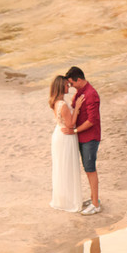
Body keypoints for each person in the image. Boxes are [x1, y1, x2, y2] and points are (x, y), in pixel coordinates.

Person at [63, 65, 102, 215]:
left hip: (90, 137)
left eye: (71, 83)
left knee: (90, 169)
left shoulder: (91, 94)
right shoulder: (80, 92)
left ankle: (95, 204)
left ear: (78, 79)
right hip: (82, 136)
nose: (71, 87)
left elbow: (92, 120)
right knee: (87, 168)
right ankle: (94, 199)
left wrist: (74, 131)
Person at [48, 75, 85, 213]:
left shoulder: (56, 102)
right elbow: (70, 124)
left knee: (62, 167)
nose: (68, 86)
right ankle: (68, 201)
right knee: (67, 167)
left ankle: (64, 199)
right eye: (65, 85)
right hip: (65, 136)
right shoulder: (62, 105)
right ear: (60, 86)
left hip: (59, 134)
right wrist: (77, 109)